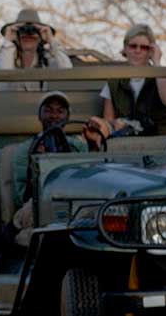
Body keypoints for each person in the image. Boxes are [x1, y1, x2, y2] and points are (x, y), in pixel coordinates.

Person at [10, 91, 110, 246]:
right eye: (48, 110)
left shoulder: (77, 146)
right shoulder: (25, 150)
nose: (54, 116)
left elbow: (93, 179)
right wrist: (35, 165)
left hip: (72, 204)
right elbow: (21, 197)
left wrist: (92, 145)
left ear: (67, 117)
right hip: (37, 205)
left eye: (60, 111)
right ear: (40, 116)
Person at [99, 24, 166, 136]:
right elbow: (107, 120)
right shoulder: (114, 82)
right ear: (125, 49)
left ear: (151, 50)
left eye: (144, 47)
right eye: (133, 46)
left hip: (161, 142)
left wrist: (157, 62)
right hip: (126, 144)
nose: (138, 51)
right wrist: (116, 123)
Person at [0, 9, 72, 91]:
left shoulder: (47, 59)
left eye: (34, 30)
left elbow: (67, 70)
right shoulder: (7, 56)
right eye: (22, 30)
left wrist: (51, 40)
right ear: (15, 35)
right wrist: (8, 41)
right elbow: (3, 83)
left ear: (40, 37)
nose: (28, 34)